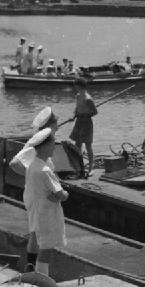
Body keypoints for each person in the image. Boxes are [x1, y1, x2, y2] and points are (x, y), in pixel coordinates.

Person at [23, 129, 69, 275]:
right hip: (47, 213)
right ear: (45, 146)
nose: (54, 147)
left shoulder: (32, 165)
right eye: (52, 144)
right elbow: (61, 194)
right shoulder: (44, 170)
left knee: (38, 241)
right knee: (46, 248)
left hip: (37, 210)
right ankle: (42, 278)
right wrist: (65, 193)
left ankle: (32, 272)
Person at [70, 77, 97, 176]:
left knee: (88, 145)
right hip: (78, 122)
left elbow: (95, 112)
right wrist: (74, 115)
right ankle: (79, 167)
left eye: (76, 86)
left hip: (86, 122)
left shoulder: (88, 99)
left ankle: (91, 168)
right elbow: (76, 108)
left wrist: (85, 115)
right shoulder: (78, 96)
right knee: (77, 145)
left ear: (80, 86)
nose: (75, 87)